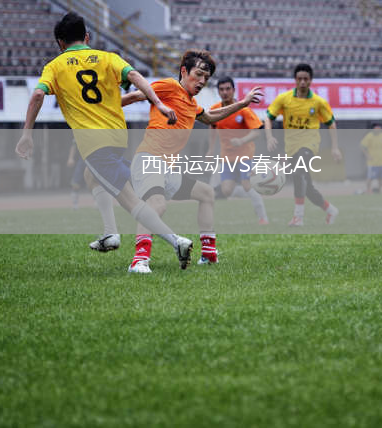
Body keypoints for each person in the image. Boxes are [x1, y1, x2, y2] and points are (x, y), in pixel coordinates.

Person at [15, 11, 193, 273]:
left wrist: (26, 134)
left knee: (130, 201)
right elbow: (135, 77)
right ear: (87, 37)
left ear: (60, 42)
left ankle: (176, 242)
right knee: (91, 176)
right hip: (117, 138)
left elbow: (37, 96)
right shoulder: (108, 58)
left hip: (94, 144)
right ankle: (111, 233)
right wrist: (158, 103)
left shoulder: (55, 66)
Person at [122, 50, 263, 271]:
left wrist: (243, 103)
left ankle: (208, 254)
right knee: (157, 204)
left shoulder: (191, 103)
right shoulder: (170, 86)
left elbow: (210, 117)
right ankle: (139, 260)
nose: (202, 81)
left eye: (206, 77)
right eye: (198, 74)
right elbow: (133, 97)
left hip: (167, 168)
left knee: (206, 193)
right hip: (149, 159)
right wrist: (100, 111)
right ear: (184, 71)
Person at [263, 63, 342, 226]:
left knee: (299, 174)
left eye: (306, 79)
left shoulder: (318, 102)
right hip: (291, 148)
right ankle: (330, 210)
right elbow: (268, 118)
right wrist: (269, 137)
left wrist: (335, 147)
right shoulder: (284, 99)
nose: (303, 82)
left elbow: (331, 123)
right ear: (295, 80)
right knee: (307, 187)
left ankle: (298, 217)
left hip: (309, 145)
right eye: (300, 79)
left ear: (311, 80)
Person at [205, 76, 269, 224]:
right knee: (226, 190)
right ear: (218, 91)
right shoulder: (215, 110)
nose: (225, 92)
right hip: (227, 157)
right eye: (221, 89)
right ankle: (255, 192)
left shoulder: (243, 109)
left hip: (245, 155)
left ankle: (263, 217)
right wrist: (210, 149)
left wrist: (241, 140)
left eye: (228, 89)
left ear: (233, 90)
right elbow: (212, 127)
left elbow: (257, 132)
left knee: (247, 185)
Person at [360, 122, 382, 194]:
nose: (379, 129)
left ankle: (380, 190)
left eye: (380, 127)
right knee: (370, 177)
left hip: (381, 161)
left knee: (381, 178)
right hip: (372, 162)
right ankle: (368, 190)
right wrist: (367, 156)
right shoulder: (369, 136)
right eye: (377, 127)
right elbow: (362, 146)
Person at [67, 139, 86, 209]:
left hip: (93, 159)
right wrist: (70, 158)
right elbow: (74, 146)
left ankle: (98, 202)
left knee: (96, 182)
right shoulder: (78, 134)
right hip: (82, 160)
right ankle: (75, 204)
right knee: (75, 183)